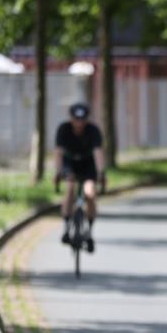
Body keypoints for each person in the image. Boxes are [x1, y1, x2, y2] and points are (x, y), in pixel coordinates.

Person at [55, 102, 104, 252]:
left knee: (89, 193)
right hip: (70, 163)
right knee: (70, 188)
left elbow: (98, 153)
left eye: (83, 120)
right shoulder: (63, 129)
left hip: (88, 164)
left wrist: (101, 172)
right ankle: (66, 226)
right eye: (77, 119)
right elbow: (58, 153)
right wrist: (58, 172)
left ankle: (89, 231)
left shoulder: (93, 131)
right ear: (71, 119)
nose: (80, 123)